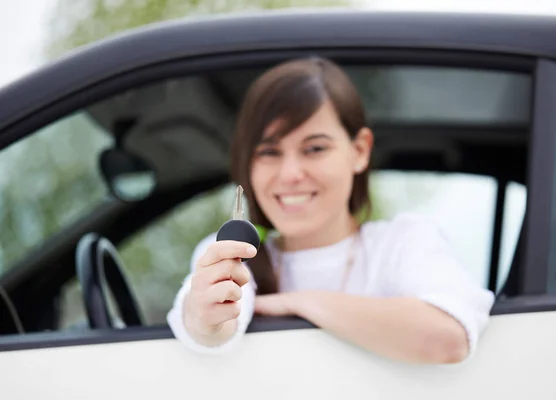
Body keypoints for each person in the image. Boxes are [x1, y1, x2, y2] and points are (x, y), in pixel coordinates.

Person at [167, 56, 495, 364]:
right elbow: (211, 329)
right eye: (269, 151)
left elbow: (448, 337)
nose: (290, 174)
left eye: (315, 148)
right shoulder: (236, 252)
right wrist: (204, 318)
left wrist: (298, 302)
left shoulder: (402, 242)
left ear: (359, 150)